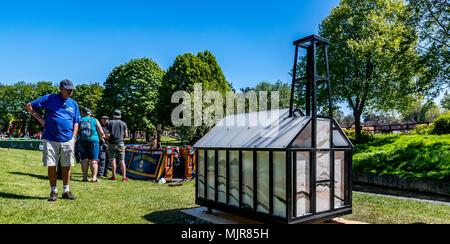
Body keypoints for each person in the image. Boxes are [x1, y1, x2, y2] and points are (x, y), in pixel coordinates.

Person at [26, 79, 80, 201]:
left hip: (68, 139)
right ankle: (53, 191)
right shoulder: (49, 98)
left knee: (66, 166)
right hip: (50, 138)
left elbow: (76, 122)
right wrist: (41, 120)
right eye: (68, 89)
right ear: (61, 88)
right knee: (52, 165)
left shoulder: (74, 104)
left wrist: (74, 137)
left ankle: (66, 191)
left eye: (72, 90)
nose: (70, 92)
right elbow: (29, 106)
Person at [78, 108, 104, 182]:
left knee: (84, 159)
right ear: (90, 113)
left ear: (83, 113)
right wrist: (102, 138)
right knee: (94, 160)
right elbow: (101, 132)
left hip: (82, 141)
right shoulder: (94, 120)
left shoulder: (79, 120)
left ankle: (85, 177)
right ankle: (94, 178)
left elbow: (76, 131)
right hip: (93, 141)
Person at [106, 110, 128, 181]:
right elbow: (126, 135)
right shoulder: (124, 123)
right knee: (122, 160)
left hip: (112, 143)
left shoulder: (109, 123)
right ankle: (124, 177)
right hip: (121, 143)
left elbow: (107, 135)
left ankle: (114, 176)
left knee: (113, 160)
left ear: (113, 115)